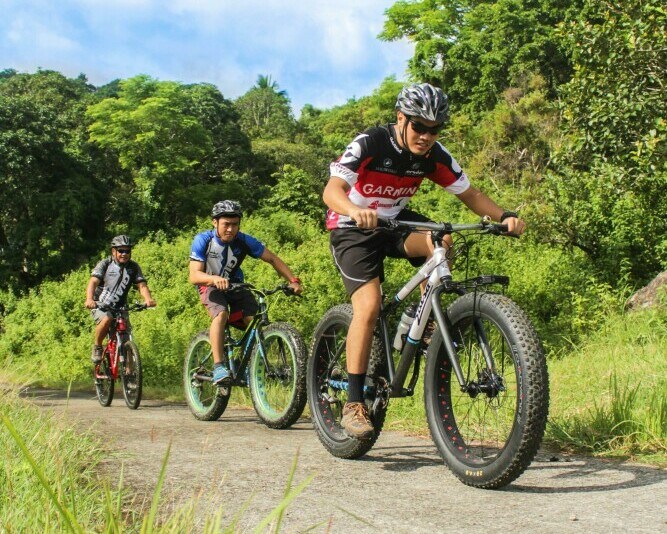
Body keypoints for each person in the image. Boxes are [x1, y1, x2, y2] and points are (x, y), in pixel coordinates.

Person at [323, 82, 525, 439]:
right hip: (352, 226)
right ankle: (354, 402)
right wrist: (355, 209)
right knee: (368, 307)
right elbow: (332, 190)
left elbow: (471, 194)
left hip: (395, 223)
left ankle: (422, 317)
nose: (427, 136)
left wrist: (504, 216)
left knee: (440, 239)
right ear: (401, 119)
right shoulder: (371, 142)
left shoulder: (434, 155)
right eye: (419, 126)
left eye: (435, 129)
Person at [189, 200, 303, 385]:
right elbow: (194, 275)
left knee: (254, 322)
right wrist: (214, 279)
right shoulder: (203, 240)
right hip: (208, 283)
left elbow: (272, 259)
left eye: (235, 224)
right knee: (221, 314)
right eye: (226, 224)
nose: (230, 229)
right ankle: (218, 366)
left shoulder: (243, 241)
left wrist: (293, 281)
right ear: (214, 222)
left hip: (235, 285)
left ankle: (246, 364)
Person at [85, 235, 156, 363]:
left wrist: (148, 299)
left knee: (126, 337)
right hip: (101, 304)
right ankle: (97, 346)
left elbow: (142, 285)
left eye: (127, 251)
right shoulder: (105, 264)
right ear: (113, 251)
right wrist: (89, 299)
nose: (124, 254)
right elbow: (93, 282)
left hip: (121, 306)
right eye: (121, 251)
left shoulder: (133, 267)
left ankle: (130, 374)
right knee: (107, 319)